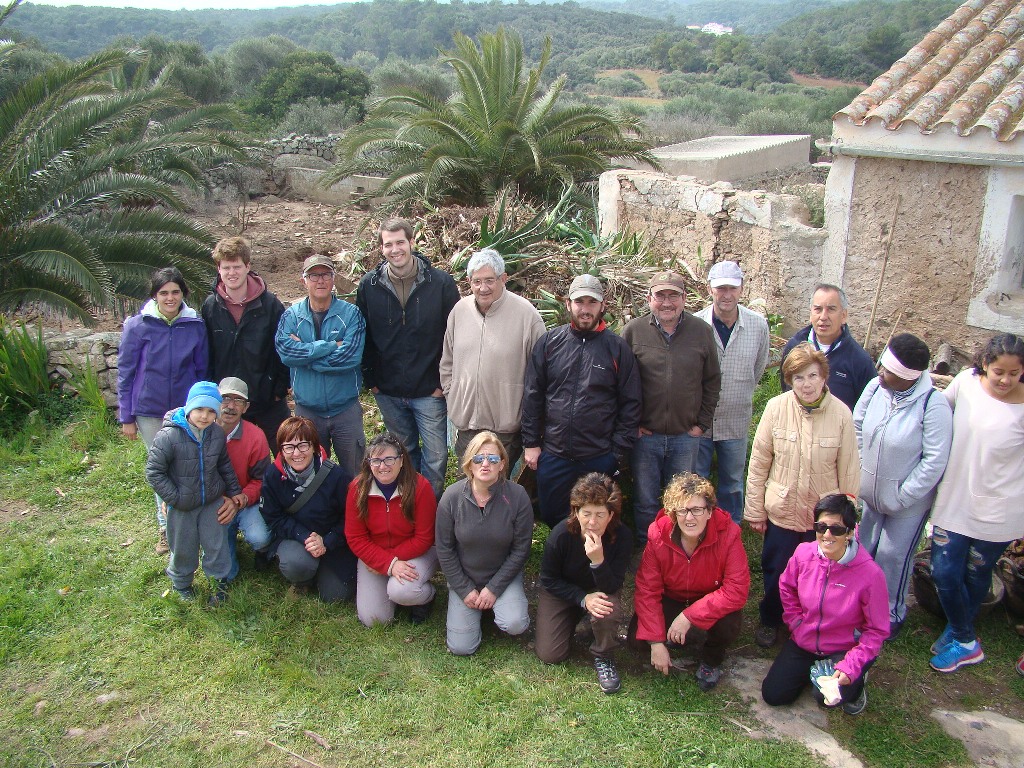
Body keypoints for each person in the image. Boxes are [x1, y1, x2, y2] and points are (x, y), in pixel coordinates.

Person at [745, 342, 860, 648]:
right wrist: (755, 509)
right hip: (781, 510)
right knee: (776, 570)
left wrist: (846, 520)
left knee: (817, 575)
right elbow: (759, 462)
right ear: (789, 381)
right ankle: (770, 619)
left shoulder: (841, 414)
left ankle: (807, 624)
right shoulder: (776, 408)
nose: (806, 385)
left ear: (824, 376)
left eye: (812, 376)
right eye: (798, 378)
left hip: (821, 517)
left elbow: (848, 469)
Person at [927, 333, 1024, 672]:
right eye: (999, 371)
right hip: (956, 497)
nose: (1005, 380)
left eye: (1014, 373)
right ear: (984, 364)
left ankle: (958, 634)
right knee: (943, 570)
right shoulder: (965, 384)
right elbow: (937, 412)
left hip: (1000, 507)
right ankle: (966, 637)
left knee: (977, 572)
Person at [522, 274, 642, 528]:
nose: (585, 309)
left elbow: (631, 404)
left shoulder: (617, 349)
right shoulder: (549, 343)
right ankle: (559, 565)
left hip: (598, 456)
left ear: (602, 305)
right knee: (554, 518)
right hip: (554, 455)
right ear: (568, 304)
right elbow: (533, 395)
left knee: (595, 521)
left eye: (591, 302)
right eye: (579, 302)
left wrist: (617, 454)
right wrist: (531, 443)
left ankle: (593, 564)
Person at [853, 333, 952, 639]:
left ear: (908, 377)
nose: (880, 373)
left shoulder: (932, 406)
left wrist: (902, 496)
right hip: (870, 494)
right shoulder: (875, 388)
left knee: (893, 557)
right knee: (865, 549)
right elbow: (857, 425)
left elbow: (934, 461)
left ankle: (890, 613)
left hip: (906, 502)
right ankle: (859, 606)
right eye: (882, 366)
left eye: (888, 371)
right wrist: (862, 470)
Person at [356, 218, 460, 498]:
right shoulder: (369, 286)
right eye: (388, 244)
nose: (395, 249)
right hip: (388, 390)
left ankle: (432, 510)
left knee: (436, 457)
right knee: (404, 454)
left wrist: (442, 383)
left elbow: (455, 336)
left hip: (430, 390)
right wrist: (372, 381)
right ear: (381, 248)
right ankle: (410, 508)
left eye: (400, 242)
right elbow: (362, 335)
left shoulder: (440, 284)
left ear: (412, 243)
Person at [761, 494, 888, 715]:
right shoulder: (803, 554)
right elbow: (786, 587)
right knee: (773, 695)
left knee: (825, 697)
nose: (827, 535)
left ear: (850, 532)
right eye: (821, 527)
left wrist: (851, 666)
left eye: (836, 529)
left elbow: (876, 630)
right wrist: (796, 622)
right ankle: (812, 672)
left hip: (843, 648)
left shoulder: (870, 574)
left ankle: (857, 682)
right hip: (805, 640)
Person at [623, 271, 721, 545]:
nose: (667, 303)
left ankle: (676, 549)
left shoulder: (701, 332)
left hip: (685, 438)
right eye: (660, 296)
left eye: (673, 296)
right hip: (646, 437)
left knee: (682, 499)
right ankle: (648, 550)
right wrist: (633, 425)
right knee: (644, 499)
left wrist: (701, 424)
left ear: (684, 299)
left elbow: (712, 380)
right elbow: (619, 384)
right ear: (649, 299)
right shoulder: (633, 331)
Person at [630, 473, 749, 692]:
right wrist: (655, 642)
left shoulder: (729, 534)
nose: (689, 518)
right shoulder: (658, 533)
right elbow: (648, 589)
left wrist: (688, 616)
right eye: (682, 510)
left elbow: (736, 590)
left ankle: (711, 660)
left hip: (708, 598)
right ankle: (669, 640)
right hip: (673, 596)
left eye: (697, 510)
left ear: (710, 511)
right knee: (637, 640)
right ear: (673, 513)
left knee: (728, 624)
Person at [118, 266, 208, 555]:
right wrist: (126, 416)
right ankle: (165, 529)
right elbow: (126, 371)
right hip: (149, 410)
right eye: (163, 293)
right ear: (154, 296)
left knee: (188, 465)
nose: (170, 298)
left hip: (186, 410)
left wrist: (202, 407)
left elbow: (202, 369)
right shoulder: (138, 325)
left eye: (175, 292)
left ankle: (191, 525)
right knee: (163, 469)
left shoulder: (195, 325)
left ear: (184, 293)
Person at [440, 248, 545, 469]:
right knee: (468, 488)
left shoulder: (527, 316)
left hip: (505, 430)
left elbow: (543, 374)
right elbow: (447, 362)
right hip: (467, 426)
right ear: (469, 281)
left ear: (503, 279)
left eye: (490, 280)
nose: (483, 288)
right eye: (477, 281)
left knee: (496, 490)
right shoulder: (459, 311)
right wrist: (454, 396)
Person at [145, 381, 242, 607]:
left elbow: (224, 465)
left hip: (211, 500)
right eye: (199, 409)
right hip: (182, 505)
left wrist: (234, 491)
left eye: (211, 411)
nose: (204, 416)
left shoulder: (216, 434)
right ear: (189, 408)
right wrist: (174, 498)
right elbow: (154, 472)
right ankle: (181, 583)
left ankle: (219, 583)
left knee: (216, 544)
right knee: (183, 546)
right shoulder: (168, 436)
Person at [435, 431, 533, 656]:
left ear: (502, 464)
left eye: (493, 459)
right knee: (461, 648)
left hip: (502, 577)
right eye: (478, 458)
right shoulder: (451, 497)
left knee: (515, 623)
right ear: (469, 464)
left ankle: (496, 606)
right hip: (465, 578)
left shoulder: (518, 497)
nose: (485, 464)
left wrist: (494, 588)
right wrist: (464, 589)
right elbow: (444, 549)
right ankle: (476, 608)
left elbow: (521, 550)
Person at [536, 473, 633, 695]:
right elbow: (549, 579)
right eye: (586, 513)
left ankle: (604, 655)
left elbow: (612, 585)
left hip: (600, 589)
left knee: (606, 609)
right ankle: (574, 619)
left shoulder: (622, 537)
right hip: (563, 591)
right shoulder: (560, 535)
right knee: (550, 654)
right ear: (576, 512)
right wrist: (581, 598)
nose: (592, 522)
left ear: (611, 515)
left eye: (600, 515)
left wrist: (598, 561)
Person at [275, 254, 366, 477]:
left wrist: (305, 356)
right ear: (303, 281)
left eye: (326, 274)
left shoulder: (351, 314)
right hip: (308, 411)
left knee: (355, 474)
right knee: (310, 475)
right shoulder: (291, 316)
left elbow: (349, 357)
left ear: (334, 279)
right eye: (313, 275)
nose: (320, 280)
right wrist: (329, 346)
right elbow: (286, 354)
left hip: (345, 409)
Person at [694, 261, 770, 524]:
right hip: (700, 420)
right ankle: (699, 528)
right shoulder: (695, 324)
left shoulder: (758, 326)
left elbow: (757, 370)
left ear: (741, 290)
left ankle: (730, 531)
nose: (726, 295)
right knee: (697, 481)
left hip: (736, 419)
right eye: (720, 288)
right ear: (709, 289)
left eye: (732, 288)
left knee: (733, 483)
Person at [202, 236, 290, 453]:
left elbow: (283, 348)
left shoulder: (269, 304)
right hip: (228, 401)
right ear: (218, 269)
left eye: (237, 267)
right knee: (230, 457)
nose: (232, 273)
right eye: (226, 267)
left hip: (267, 398)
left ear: (248, 267)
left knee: (285, 451)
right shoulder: (211, 306)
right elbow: (207, 352)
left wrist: (278, 388)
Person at [345, 433, 439, 627]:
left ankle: (426, 597)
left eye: (389, 459)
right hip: (376, 556)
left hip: (417, 553)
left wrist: (390, 562)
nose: (383, 466)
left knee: (401, 591)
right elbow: (355, 538)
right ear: (368, 462)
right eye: (376, 460)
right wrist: (386, 563)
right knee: (374, 620)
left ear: (401, 460)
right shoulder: (357, 488)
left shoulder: (420, 487)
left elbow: (424, 538)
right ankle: (393, 595)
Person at [260, 416, 357, 602]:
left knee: (336, 596)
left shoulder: (336, 476)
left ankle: (322, 571)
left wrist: (326, 541)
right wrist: (303, 535)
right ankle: (302, 579)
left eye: (303, 445)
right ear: (280, 450)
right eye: (289, 447)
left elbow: (351, 518)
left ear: (314, 447)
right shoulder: (273, 475)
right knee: (297, 564)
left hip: (332, 540)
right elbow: (273, 516)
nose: (296, 453)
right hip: (297, 539)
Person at [779, 284, 876, 412]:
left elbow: (868, 407)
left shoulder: (859, 360)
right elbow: (785, 385)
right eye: (818, 309)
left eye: (831, 309)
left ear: (843, 315)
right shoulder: (794, 347)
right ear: (811, 314)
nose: (823, 317)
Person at [216, 377, 273, 581]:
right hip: (215, 504)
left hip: (245, 501)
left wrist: (241, 498)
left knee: (260, 538)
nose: (230, 406)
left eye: (238, 401)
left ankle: (263, 551)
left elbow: (262, 480)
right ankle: (225, 574)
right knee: (222, 565)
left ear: (246, 407)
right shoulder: (203, 431)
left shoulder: (256, 436)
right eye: (225, 398)